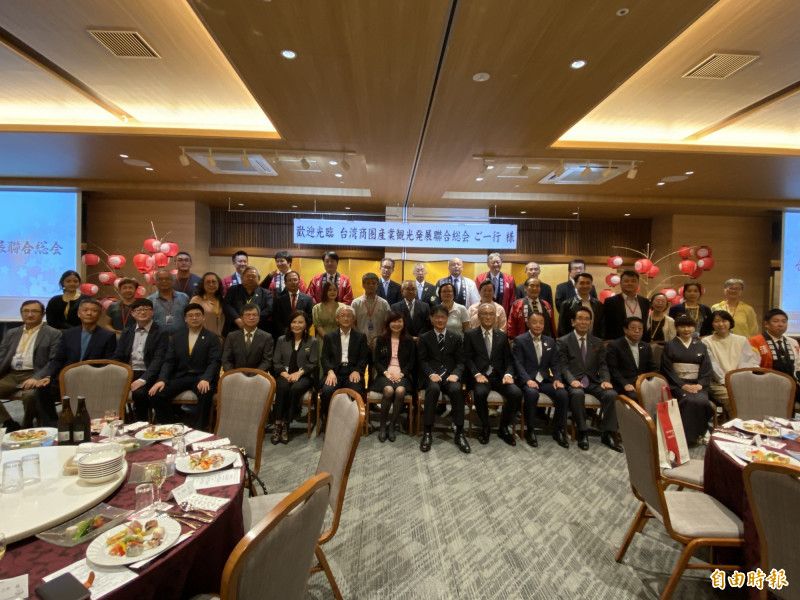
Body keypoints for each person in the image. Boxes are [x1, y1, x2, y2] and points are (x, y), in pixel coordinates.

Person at [38, 299, 117, 426]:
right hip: (67, 378)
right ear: (79, 313)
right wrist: (48, 375)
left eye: (94, 311)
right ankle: (52, 424)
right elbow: (58, 359)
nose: (89, 313)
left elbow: (108, 363)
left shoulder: (107, 336)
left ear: (99, 314)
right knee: (42, 389)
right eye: (85, 310)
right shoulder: (68, 334)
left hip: (93, 379)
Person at [557, 307, 621, 452]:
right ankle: (582, 431)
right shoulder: (563, 341)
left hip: (592, 381)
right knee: (578, 393)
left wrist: (605, 379)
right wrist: (571, 380)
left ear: (591, 322)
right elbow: (563, 366)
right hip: (573, 382)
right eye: (580, 318)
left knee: (612, 394)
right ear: (573, 322)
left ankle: (608, 432)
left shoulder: (597, 342)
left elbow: (603, 364)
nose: (583, 322)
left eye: (587, 319)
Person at [149, 303, 222, 428]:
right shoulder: (177, 337)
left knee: (206, 393)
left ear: (203, 317)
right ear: (185, 319)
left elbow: (214, 361)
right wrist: (161, 380)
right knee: (156, 394)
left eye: (198, 315)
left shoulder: (213, 338)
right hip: (181, 376)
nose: (194, 318)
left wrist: (206, 378)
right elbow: (169, 361)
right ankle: (171, 427)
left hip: (202, 377)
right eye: (190, 315)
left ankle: (200, 429)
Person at [463, 303, 521, 446]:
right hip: (480, 377)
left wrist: (508, 374)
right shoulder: (470, 335)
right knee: (480, 393)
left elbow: (509, 360)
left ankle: (503, 428)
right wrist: (476, 374)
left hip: (499, 376)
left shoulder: (502, 336)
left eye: (491, 314)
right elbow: (467, 359)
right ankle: (485, 427)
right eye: (484, 314)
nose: (488, 317)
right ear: (478, 316)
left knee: (516, 393)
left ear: (495, 317)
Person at [0, 300, 61, 430]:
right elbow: (2, 356)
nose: (30, 314)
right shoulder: (12, 333)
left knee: (30, 396)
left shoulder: (53, 333)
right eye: (26, 311)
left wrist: (37, 377)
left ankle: (26, 425)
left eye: (34, 311)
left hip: (35, 373)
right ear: (21, 314)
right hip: (11, 374)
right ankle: (9, 423)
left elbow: (53, 360)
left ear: (43, 314)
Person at [512, 312, 569, 448]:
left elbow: (555, 364)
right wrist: (527, 380)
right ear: (528, 324)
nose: (538, 325)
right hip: (527, 380)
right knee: (532, 394)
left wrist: (556, 379)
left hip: (544, 380)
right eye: (534, 322)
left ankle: (558, 429)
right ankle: (530, 430)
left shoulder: (550, 341)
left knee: (562, 393)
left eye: (541, 322)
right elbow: (517, 364)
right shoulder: (520, 340)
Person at [417, 305, 469, 454]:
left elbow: (461, 361)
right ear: (431, 319)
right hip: (432, 375)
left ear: (447, 319)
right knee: (433, 389)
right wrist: (430, 373)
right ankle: (427, 432)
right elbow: (422, 361)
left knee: (456, 389)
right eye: (437, 317)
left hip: (450, 375)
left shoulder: (456, 337)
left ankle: (459, 432)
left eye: (443, 317)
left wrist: (456, 374)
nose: (440, 320)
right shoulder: (425, 337)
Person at [661, 314, 714, 445]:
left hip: (697, 384)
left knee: (702, 401)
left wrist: (701, 384)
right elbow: (667, 369)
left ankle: (701, 432)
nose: (686, 329)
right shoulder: (670, 345)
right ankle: (686, 437)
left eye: (689, 326)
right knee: (688, 399)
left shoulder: (701, 345)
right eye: (682, 326)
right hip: (677, 384)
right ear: (677, 328)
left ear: (694, 328)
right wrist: (682, 385)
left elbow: (706, 367)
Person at [112, 298, 168, 422]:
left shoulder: (161, 332)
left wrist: (143, 379)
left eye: (146, 309)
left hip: (150, 373)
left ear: (152, 312)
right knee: (108, 387)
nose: (142, 312)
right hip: (129, 372)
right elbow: (118, 355)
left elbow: (159, 359)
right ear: (132, 313)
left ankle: (141, 424)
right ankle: (116, 423)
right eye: (138, 310)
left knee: (139, 393)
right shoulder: (127, 331)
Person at [272, 311, 319, 444]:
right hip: (284, 374)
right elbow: (276, 362)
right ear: (289, 324)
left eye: (300, 322)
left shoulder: (312, 341)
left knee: (295, 389)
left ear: (306, 325)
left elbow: (313, 363)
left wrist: (299, 373)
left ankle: (286, 423)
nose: (296, 325)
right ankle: (277, 424)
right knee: (282, 387)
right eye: (294, 322)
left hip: (304, 376)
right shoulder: (282, 340)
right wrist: (286, 374)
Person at [319, 305, 369, 429]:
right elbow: (324, 358)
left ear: (353, 319)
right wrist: (330, 372)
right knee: (327, 391)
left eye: (349, 316)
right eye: (343, 315)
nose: (346, 318)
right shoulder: (329, 337)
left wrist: (358, 370)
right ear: (337, 319)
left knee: (357, 391)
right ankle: (328, 419)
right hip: (335, 372)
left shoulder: (361, 337)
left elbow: (364, 358)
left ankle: (354, 422)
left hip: (352, 372)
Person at [703, 310, 759, 414]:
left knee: (755, 396)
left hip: (740, 381)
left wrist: (738, 380)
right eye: (716, 321)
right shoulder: (706, 341)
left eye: (724, 321)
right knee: (733, 399)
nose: (721, 324)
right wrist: (725, 381)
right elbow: (712, 365)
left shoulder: (742, 340)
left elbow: (747, 361)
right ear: (712, 324)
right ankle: (737, 426)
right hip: (718, 383)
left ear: (730, 322)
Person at [371, 311, 416, 442]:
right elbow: (376, 361)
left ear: (404, 323)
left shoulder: (409, 341)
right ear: (388, 323)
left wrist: (401, 374)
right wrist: (386, 373)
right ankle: (383, 426)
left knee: (400, 391)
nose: (396, 324)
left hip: (403, 374)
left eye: (399, 321)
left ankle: (392, 425)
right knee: (389, 390)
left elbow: (411, 362)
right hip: (384, 374)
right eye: (393, 321)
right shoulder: (381, 339)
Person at [606, 317, 657, 402]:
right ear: (625, 330)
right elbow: (613, 370)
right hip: (623, 384)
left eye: (640, 329)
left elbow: (652, 367)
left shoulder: (646, 346)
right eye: (633, 328)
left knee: (660, 394)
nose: (637, 331)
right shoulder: (614, 345)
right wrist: (625, 384)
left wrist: (653, 381)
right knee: (636, 396)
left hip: (643, 383)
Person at [750, 308, 800, 383]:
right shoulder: (754, 341)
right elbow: (751, 365)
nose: (780, 324)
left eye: (784, 321)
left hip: (790, 385)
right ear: (766, 324)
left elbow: (798, 365)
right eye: (775, 321)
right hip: (764, 384)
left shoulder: (793, 342)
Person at [221, 305, 273, 372]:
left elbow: (267, 361)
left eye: (254, 315)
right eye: (248, 315)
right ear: (241, 318)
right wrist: (234, 374)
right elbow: (226, 360)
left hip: (257, 377)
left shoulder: (267, 337)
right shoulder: (232, 336)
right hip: (235, 377)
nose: (251, 317)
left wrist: (254, 375)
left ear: (259, 317)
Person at [603, 270, 650, 341]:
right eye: (626, 281)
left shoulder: (645, 302)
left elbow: (645, 325)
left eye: (633, 281)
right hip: (617, 343)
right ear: (621, 283)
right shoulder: (610, 302)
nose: (630, 283)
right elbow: (605, 325)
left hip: (640, 343)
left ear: (638, 284)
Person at [190, 272, 238, 339]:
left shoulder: (223, 300)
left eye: (214, 282)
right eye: (208, 282)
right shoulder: (196, 300)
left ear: (218, 284)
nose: (211, 284)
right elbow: (191, 321)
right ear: (203, 285)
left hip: (220, 340)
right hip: (202, 339)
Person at [224, 266, 272, 333]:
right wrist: (237, 319)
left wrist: (253, 320)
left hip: (258, 329)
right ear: (242, 278)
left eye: (253, 276)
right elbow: (227, 305)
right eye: (248, 276)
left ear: (259, 279)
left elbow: (269, 309)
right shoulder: (233, 290)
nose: (250, 278)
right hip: (235, 327)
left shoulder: (266, 293)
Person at [351, 272, 391, 350]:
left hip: (379, 342)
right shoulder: (356, 303)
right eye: (368, 283)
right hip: (360, 342)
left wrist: (380, 338)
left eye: (374, 283)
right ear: (363, 285)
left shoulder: (384, 303)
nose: (371, 285)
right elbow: (352, 323)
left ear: (377, 285)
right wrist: (360, 338)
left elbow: (388, 324)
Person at [271, 270, 314, 339]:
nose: (293, 282)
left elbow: (310, 318)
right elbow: (276, 319)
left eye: (295, 280)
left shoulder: (308, 299)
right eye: (289, 280)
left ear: (299, 282)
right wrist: (286, 332)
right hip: (283, 336)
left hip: (302, 335)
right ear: (285, 283)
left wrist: (300, 330)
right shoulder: (278, 300)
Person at [558, 273, 603, 337]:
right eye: (582, 283)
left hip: (593, 342)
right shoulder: (566, 304)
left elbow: (601, 325)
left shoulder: (598, 304)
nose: (585, 286)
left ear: (591, 285)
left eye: (588, 283)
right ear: (575, 285)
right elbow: (562, 328)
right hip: (572, 342)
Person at [148, 269, 190, 334]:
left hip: (181, 338)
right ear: (155, 282)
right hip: (158, 339)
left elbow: (189, 317)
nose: (164, 281)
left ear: (173, 281)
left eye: (167, 279)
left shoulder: (184, 297)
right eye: (160, 279)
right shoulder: (149, 300)